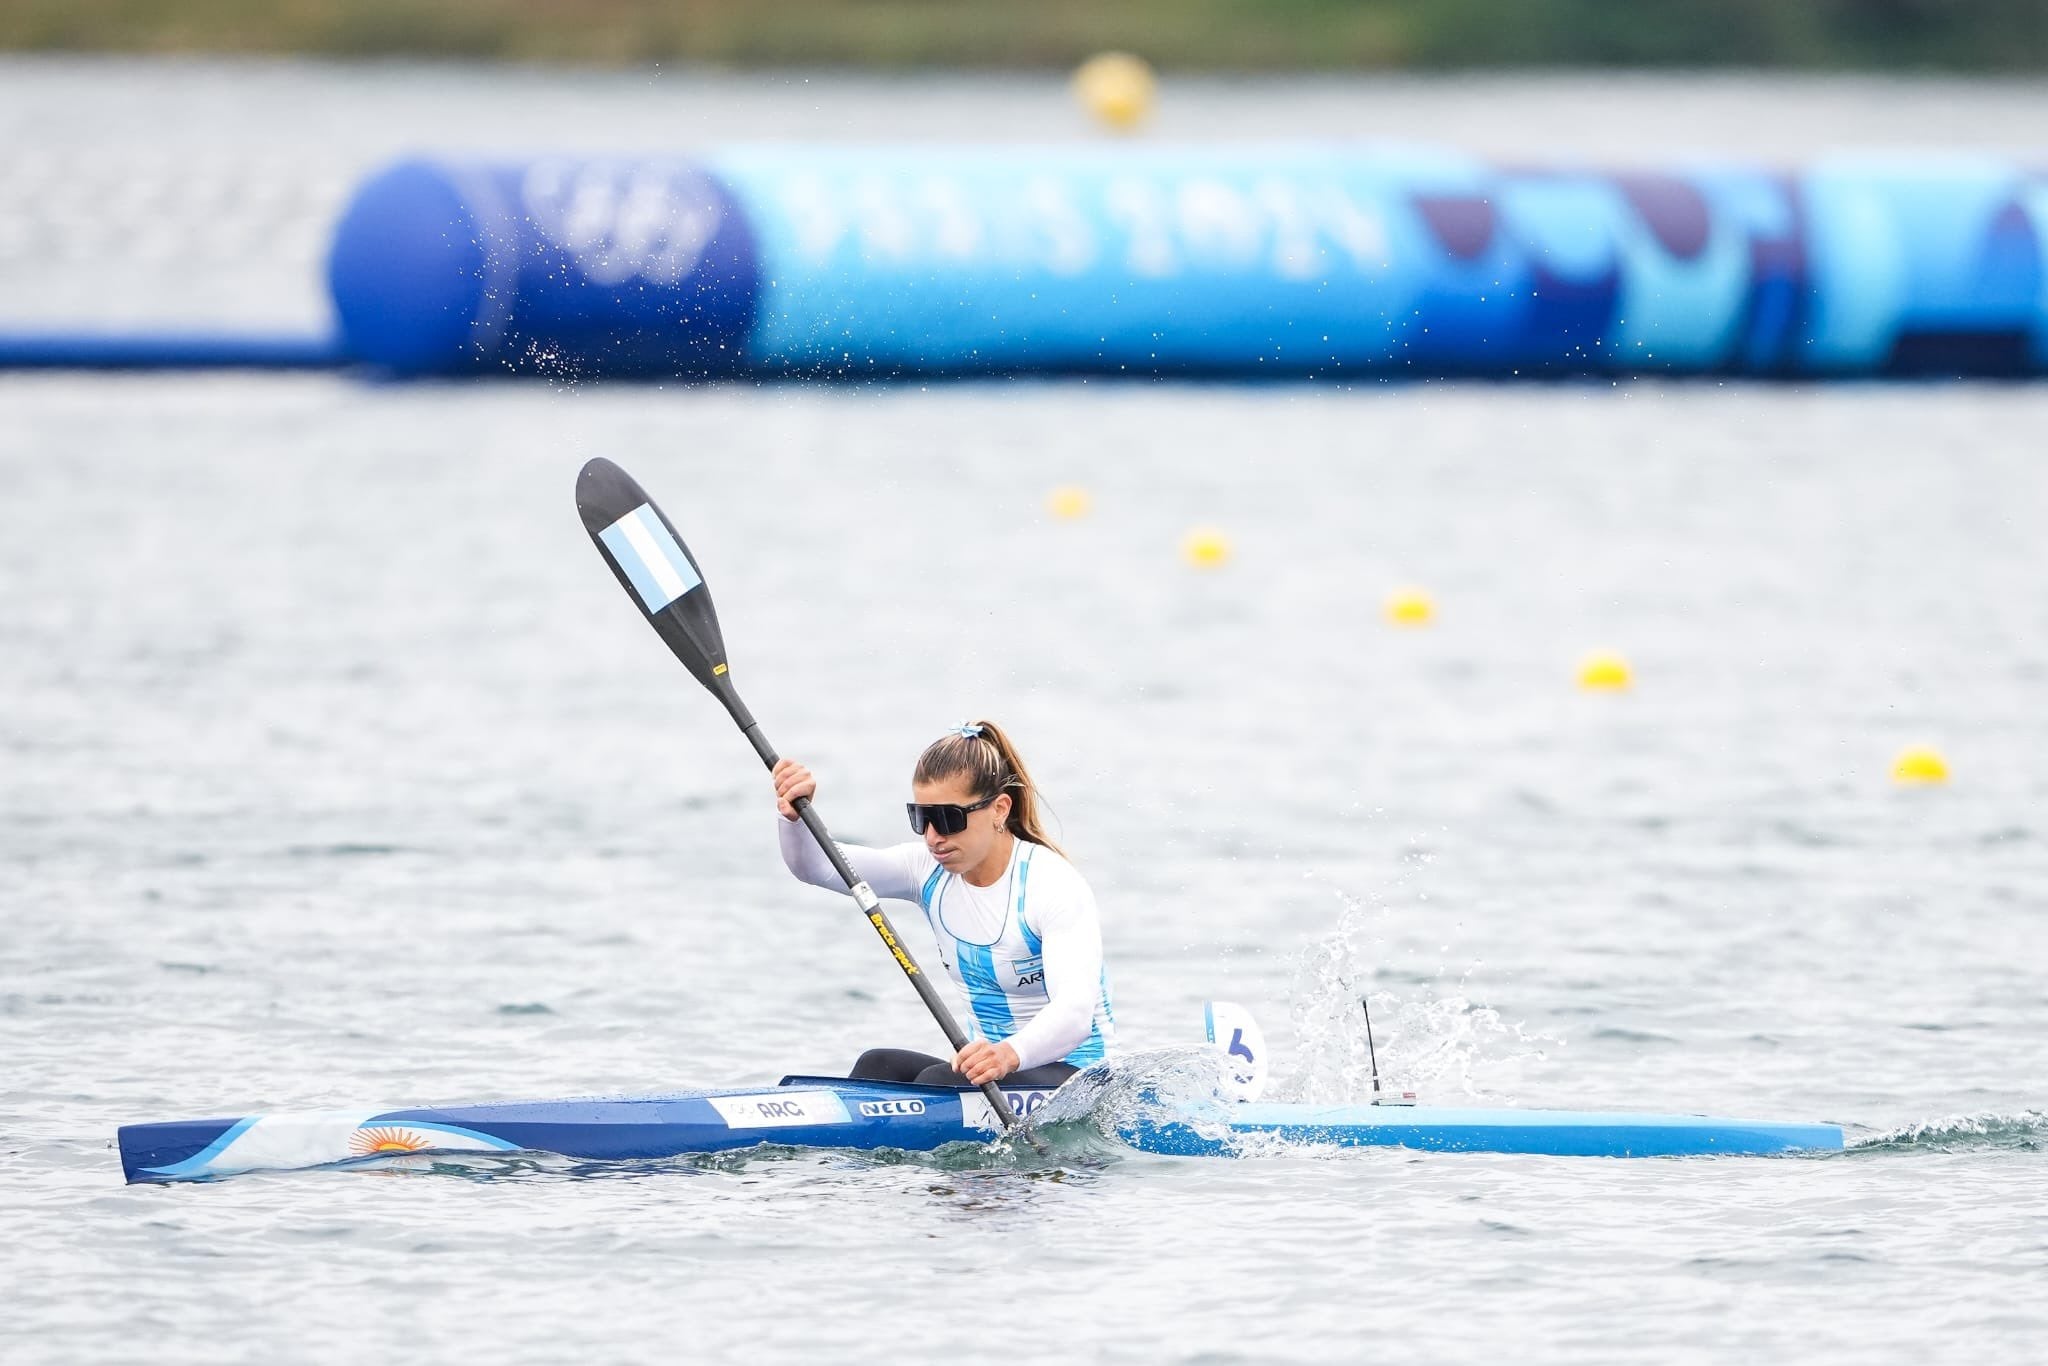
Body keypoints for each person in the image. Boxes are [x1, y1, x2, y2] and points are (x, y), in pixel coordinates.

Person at [770, 720, 1115, 1089]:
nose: (933, 837)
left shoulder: (1051, 884)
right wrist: (793, 817)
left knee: (938, 1080)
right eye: (922, 818)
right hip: (990, 1071)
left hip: (1079, 1079)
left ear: (999, 809)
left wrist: (1006, 1055)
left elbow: (1074, 1014)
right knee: (878, 1065)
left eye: (948, 818)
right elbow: (817, 867)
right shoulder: (926, 870)